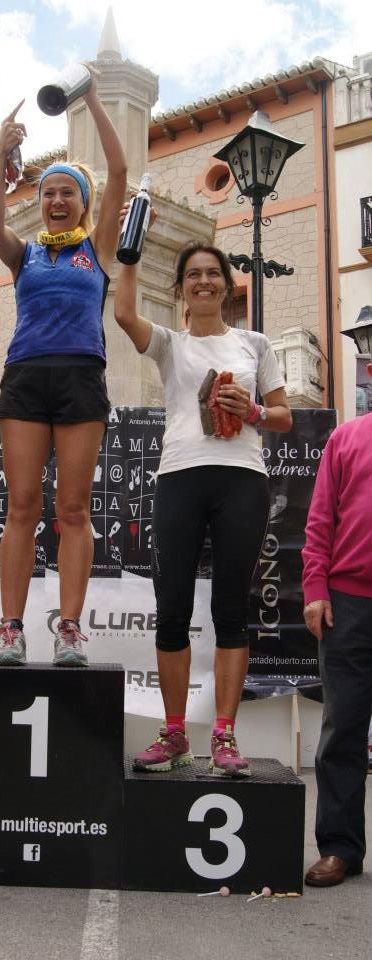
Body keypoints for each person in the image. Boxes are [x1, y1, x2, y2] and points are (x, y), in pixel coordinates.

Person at [114, 226, 292, 776]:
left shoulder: (254, 345)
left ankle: (224, 736)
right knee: (172, 610)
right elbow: (123, 314)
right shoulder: (171, 343)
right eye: (194, 275)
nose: (204, 281)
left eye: (213, 273)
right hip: (180, 477)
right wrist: (130, 251)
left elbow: (283, 417)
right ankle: (173, 734)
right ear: (182, 289)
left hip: (241, 477)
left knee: (230, 610)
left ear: (226, 285)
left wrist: (254, 411)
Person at [0, 66, 127, 667]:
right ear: (40, 204)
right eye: (48, 193)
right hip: (25, 378)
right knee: (22, 506)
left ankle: (70, 628)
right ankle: (10, 628)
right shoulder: (27, 253)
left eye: (67, 192)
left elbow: (118, 172)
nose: (58, 199)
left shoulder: (98, 249)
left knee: (73, 511)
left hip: (79, 378)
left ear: (83, 203)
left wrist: (91, 99)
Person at [302, 378, 372, 886]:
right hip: (347, 604)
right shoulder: (345, 439)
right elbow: (320, 519)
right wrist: (314, 588)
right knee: (342, 729)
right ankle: (340, 848)